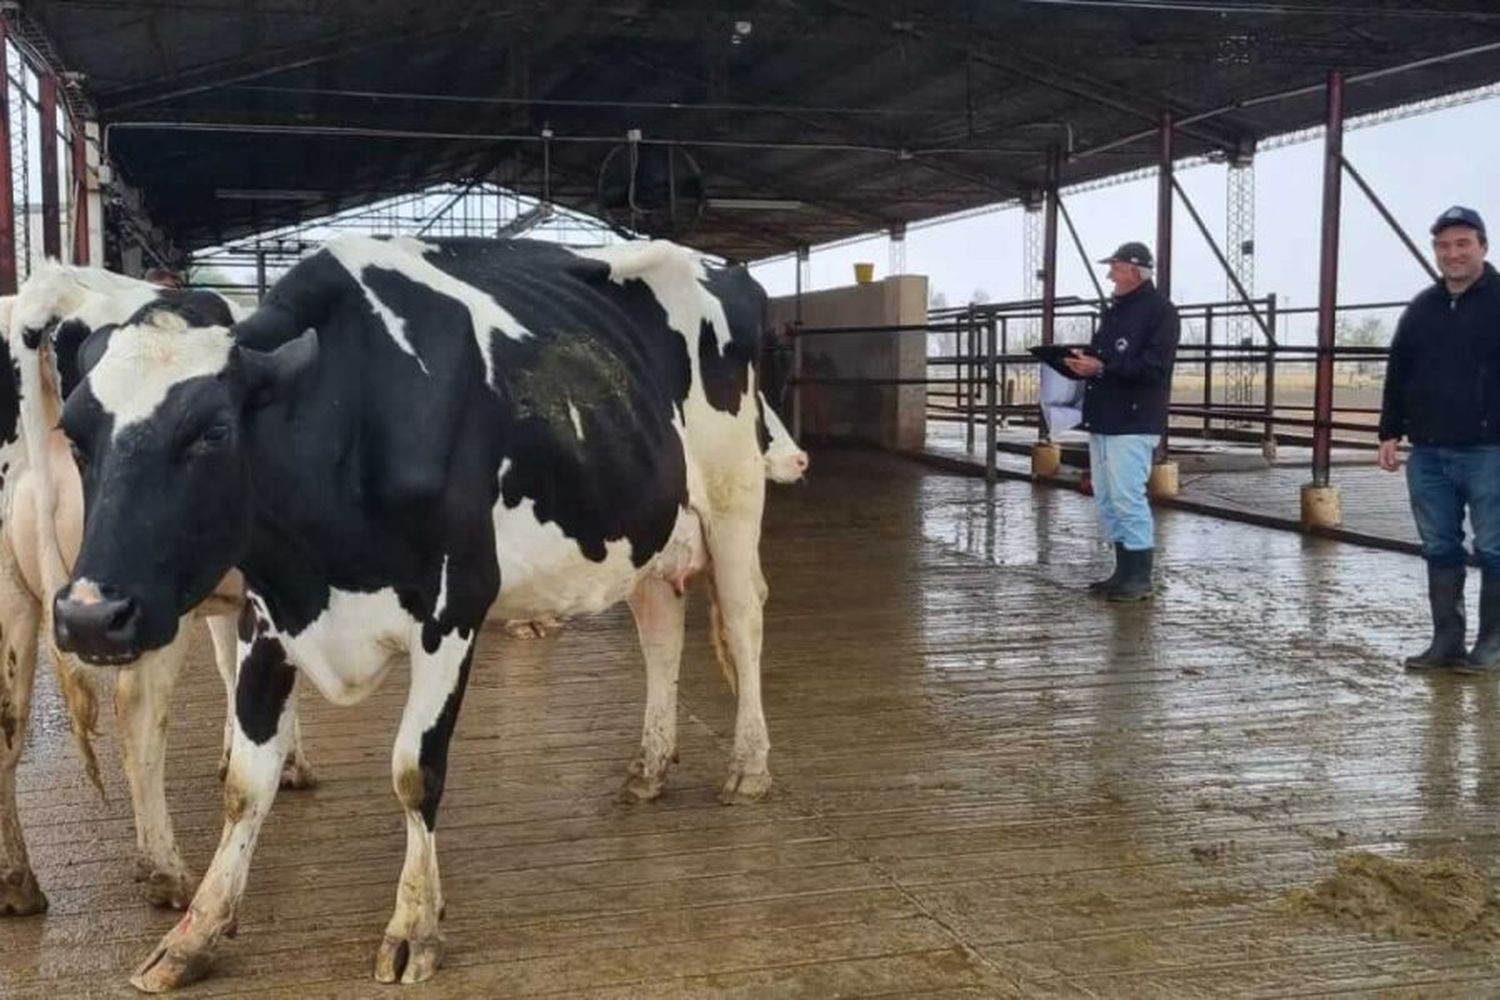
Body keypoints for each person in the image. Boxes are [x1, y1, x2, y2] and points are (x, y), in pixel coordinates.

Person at [1377, 205, 1500, 674]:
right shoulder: (1422, 307)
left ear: (1483, 246)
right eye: (1444, 246)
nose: (1452, 254)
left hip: (1489, 449)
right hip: (1428, 450)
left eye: (1462, 244)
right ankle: (1446, 640)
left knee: (1494, 545)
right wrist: (1390, 430)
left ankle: (1491, 643)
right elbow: (1399, 370)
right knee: (1439, 545)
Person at [1065, 241, 1180, 602]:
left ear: (1135, 270)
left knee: (1128, 496)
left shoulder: (1161, 313)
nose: (1110, 274)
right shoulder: (1116, 311)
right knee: (1108, 497)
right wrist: (1083, 361)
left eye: (1115, 267)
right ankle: (1123, 571)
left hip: (1133, 418)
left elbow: (1155, 367)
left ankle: (1139, 577)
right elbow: (1107, 356)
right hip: (1105, 416)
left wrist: (1104, 367)